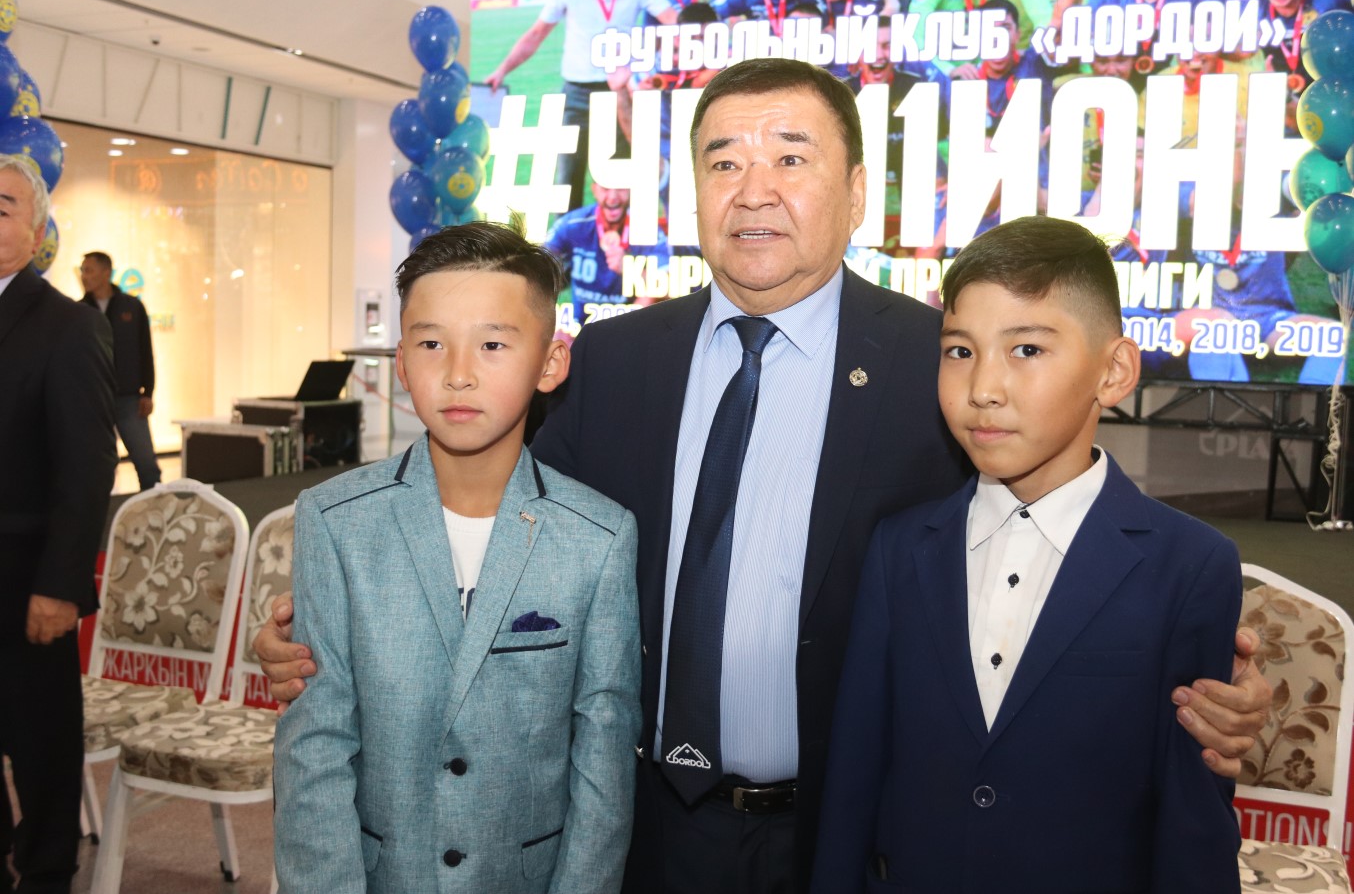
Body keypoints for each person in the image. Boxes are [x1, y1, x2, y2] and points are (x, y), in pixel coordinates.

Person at [259, 59, 1272, 893]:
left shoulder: (937, 364)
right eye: (724, 162)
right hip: (636, 823)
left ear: (856, 191)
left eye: (791, 157)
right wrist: (324, 627)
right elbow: (497, 516)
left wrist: (1200, 680)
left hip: (841, 829)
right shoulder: (615, 361)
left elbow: (1044, 545)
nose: (753, 189)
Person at [812, 216, 1242, 892]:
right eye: (960, 350)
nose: (984, 386)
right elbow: (856, 776)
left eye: (1027, 349)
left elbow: (1193, 819)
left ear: (1114, 372)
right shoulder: (901, 548)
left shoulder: (1190, 565)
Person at [272, 222, 642, 893]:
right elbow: (315, 749)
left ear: (550, 362)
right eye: (431, 343)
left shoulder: (599, 536)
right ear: (401, 361)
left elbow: (603, 764)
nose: (459, 373)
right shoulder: (335, 521)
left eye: (493, 344)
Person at [0, 154, 117, 894]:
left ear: (39, 230)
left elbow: (86, 466)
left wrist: (61, 584)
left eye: (3, 206)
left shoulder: (66, 326)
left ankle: (46, 870)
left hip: (26, 578)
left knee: (40, 743)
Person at [484, 0, 676, 211]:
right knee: (568, 175)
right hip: (577, 93)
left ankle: (623, 233)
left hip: (619, 92)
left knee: (620, 177)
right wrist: (502, 70)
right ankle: (564, 232)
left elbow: (674, 24)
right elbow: (537, 33)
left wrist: (645, 63)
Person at [79, 251, 160, 491]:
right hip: (92, 401)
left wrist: (148, 392)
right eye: (82, 270)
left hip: (129, 399)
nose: (84, 276)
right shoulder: (78, 311)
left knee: (147, 465)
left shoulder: (132, 307)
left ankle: (155, 508)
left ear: (107, 273)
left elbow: (145, 351)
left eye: (89, 270)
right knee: (95, 468)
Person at [545, 181, 670, 326]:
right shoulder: (573, 224)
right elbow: (537, 265)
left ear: (631, 190)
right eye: (605, 188)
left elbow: (673, 286)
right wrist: (557, 328)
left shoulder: (647, 229)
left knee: (654, 293)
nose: (613, 197)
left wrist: (631, 269)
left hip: (627, 325)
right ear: (594, 190)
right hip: (578, 327)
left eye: (621, 188)